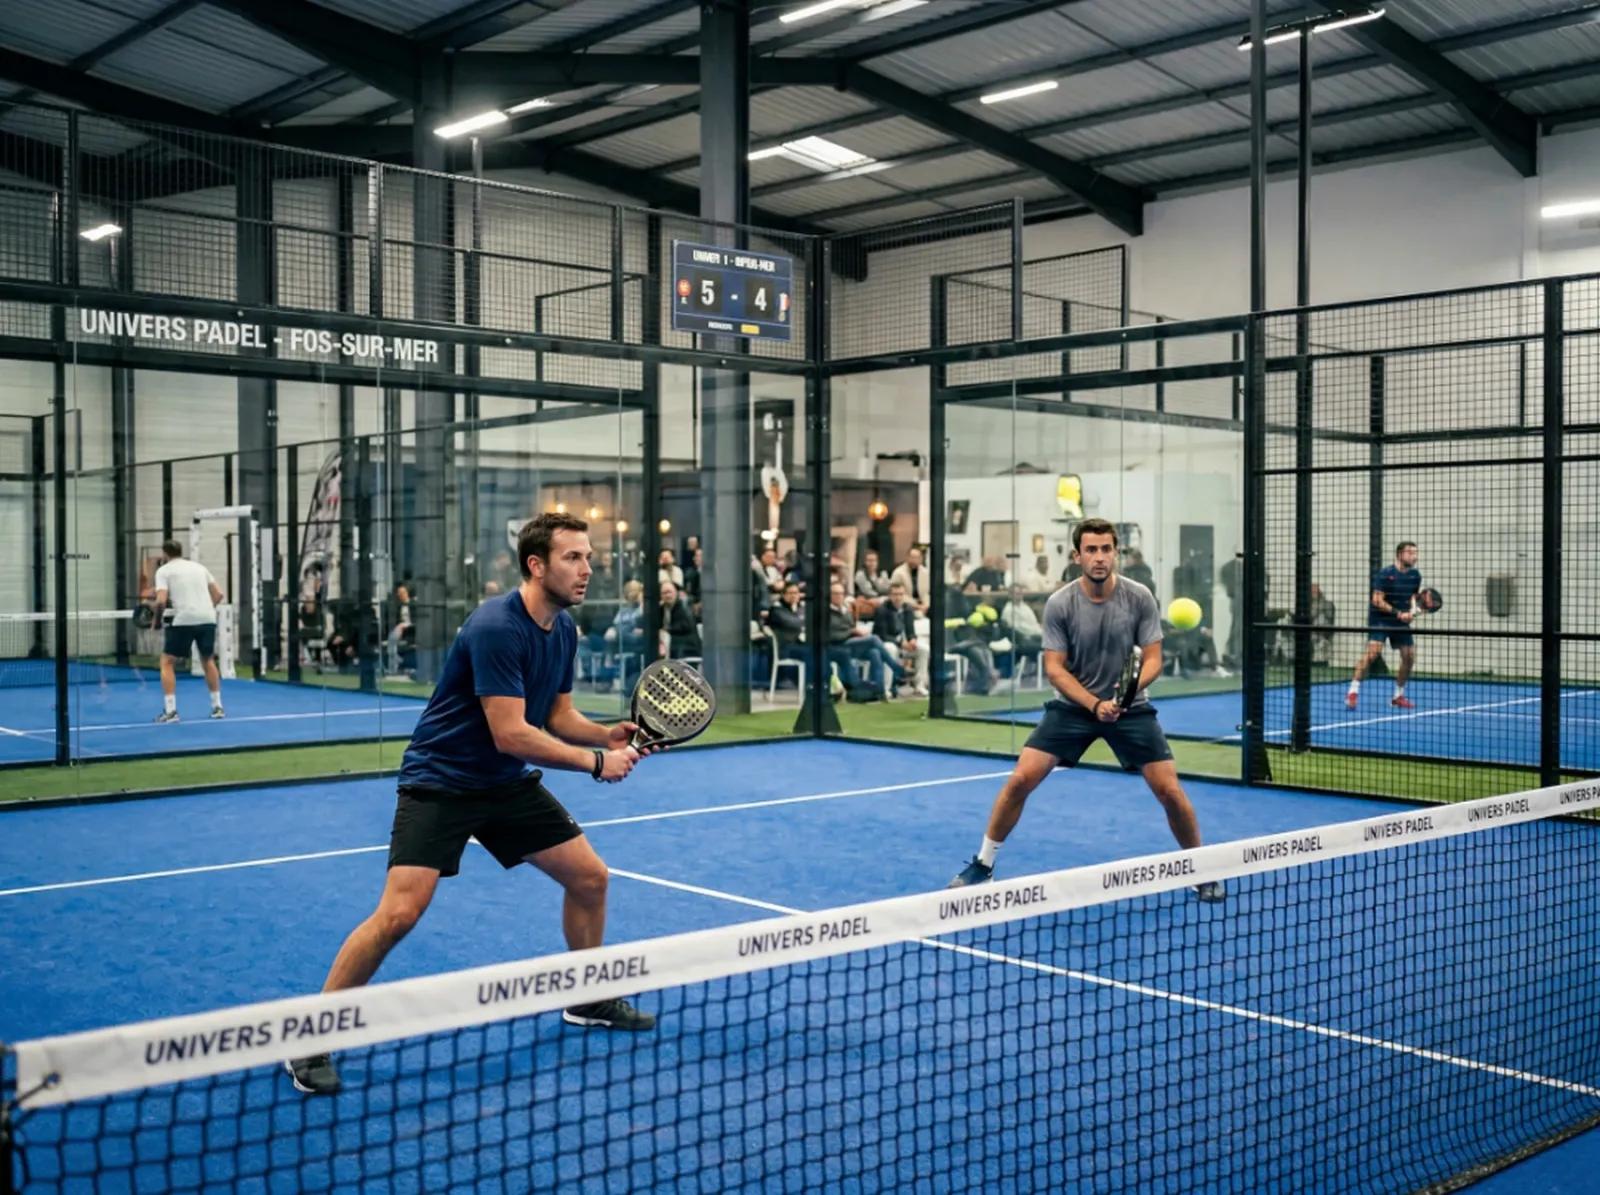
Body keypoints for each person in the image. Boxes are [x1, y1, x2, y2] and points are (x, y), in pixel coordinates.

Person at [286, 514, 657, 1097]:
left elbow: (556, 715)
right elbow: (511, 732)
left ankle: (586, 996)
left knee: (590, 878)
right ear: (536, 566)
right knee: (399, 914)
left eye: (588, 557)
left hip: (505, 785)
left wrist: (602, 735)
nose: (588, 569)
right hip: (442, 782)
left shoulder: (563, 631)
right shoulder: (495, 627)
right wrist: (593, 765)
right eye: (573, 558)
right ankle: (310, 1037)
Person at [947, 518, 1222, 902]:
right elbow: (1055, 669)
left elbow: (1155, 660)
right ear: (1077, 556)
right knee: (1020, 780)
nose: (1099, 557)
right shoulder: (1060, 603)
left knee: (1170, 791)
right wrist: (1094, 703)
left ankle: (1200, 869)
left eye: (1106, 549)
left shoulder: (1139, 597)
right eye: (1091, 550)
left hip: (1130, 708)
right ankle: (984, 864)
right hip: (1074, 708)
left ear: (1116, 553)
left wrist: (1126, 694)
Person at [151, 539, 226, 723]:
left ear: (165, 554)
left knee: (167, 662)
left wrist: (156, 622)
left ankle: (171, 712)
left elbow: (160, 600)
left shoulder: (164, 570)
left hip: (183, 619)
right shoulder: (199, 568)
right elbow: (219, 594)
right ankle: (218, 707)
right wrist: (205, 609)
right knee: (208, 660)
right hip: (208, 618)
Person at [1348, 541, 1422, 710]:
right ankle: (1353, 691)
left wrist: (1412, 612)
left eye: (1415, 553)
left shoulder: (1416, 575)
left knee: (1409, 656)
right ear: (1399, 555)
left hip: (1401, 621)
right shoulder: (1385, 574)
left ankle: (1398, 696)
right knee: (1373, 653)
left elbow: (1414, 597)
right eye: (1410, 553)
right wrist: (1398, 613)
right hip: (1380, 618)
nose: (1414, 556)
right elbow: (1377, 600)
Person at [871, 581, 929, 696]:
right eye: (895, 594)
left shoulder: (908, 609)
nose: (898, 598)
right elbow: (881, 635)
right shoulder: (882, 610)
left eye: (901, 594)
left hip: (904, 645)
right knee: (890, 648)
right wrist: (900, 643)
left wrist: (912, 639)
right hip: (886, 644)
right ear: (890, 596)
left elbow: (910, 631)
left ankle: (919, 685)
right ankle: (886, 688)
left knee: (924, 649)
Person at [888, 547, 931, 615]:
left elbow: (927, 593)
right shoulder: (898, 573)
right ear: (907, 557)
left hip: (925, 606)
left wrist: (925, 606)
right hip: (905, 606)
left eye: (917, 557)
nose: (914, 560)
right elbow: (896, 594)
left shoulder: (925, 572)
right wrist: (917, 606)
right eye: (912, 557)